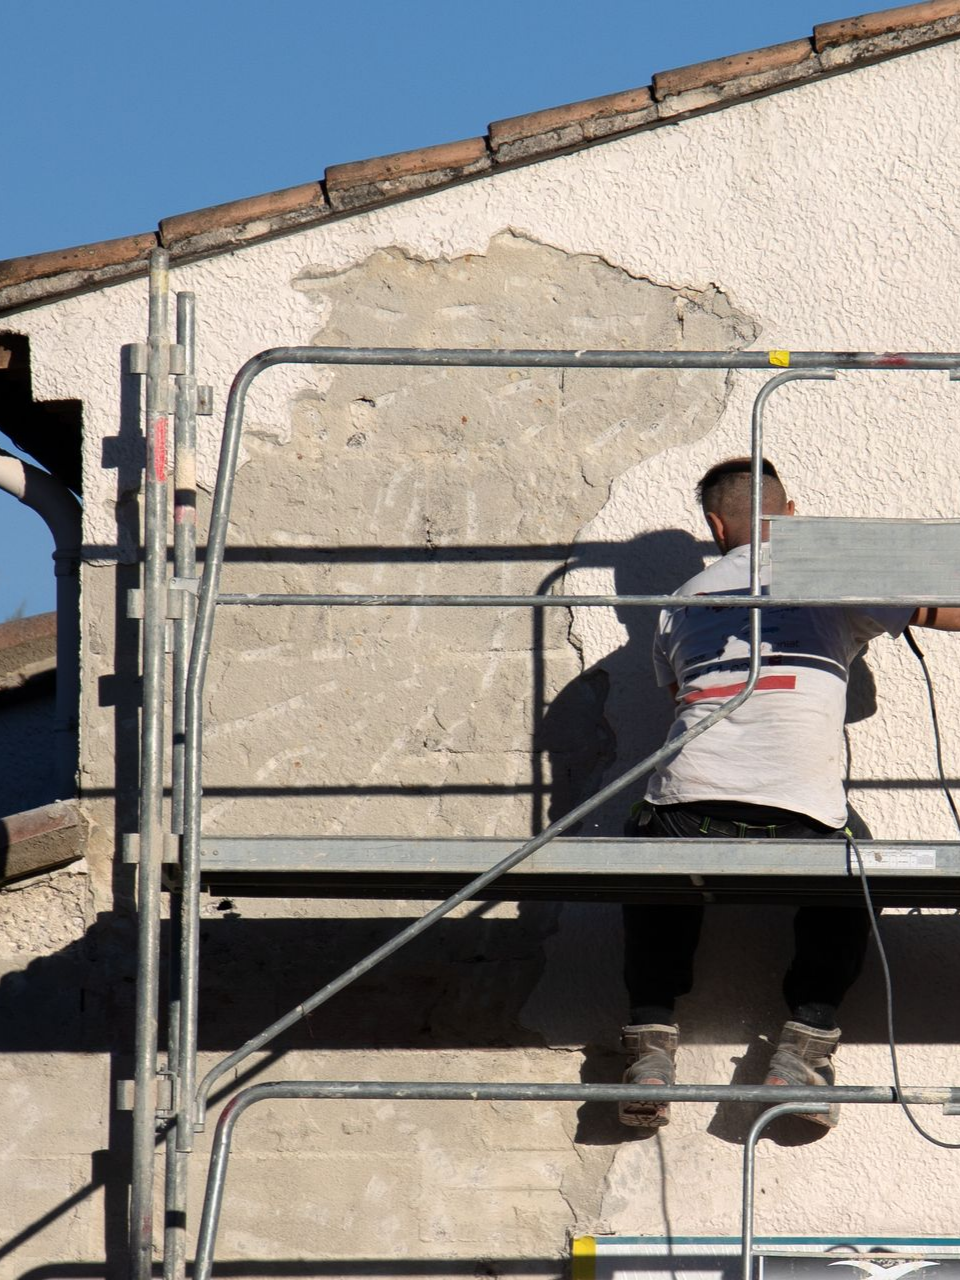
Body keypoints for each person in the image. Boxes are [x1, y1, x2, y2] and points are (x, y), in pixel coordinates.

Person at [620, 457, 960, 1129]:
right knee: (859, 861)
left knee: (644, 848)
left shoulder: (680, 602)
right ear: (793, 514)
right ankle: (804, 1047)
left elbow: (685, 700)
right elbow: (948, 613)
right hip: (800, 817)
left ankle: (649, 1048)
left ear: (717, 526)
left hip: (688, 812)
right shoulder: (830, 573)